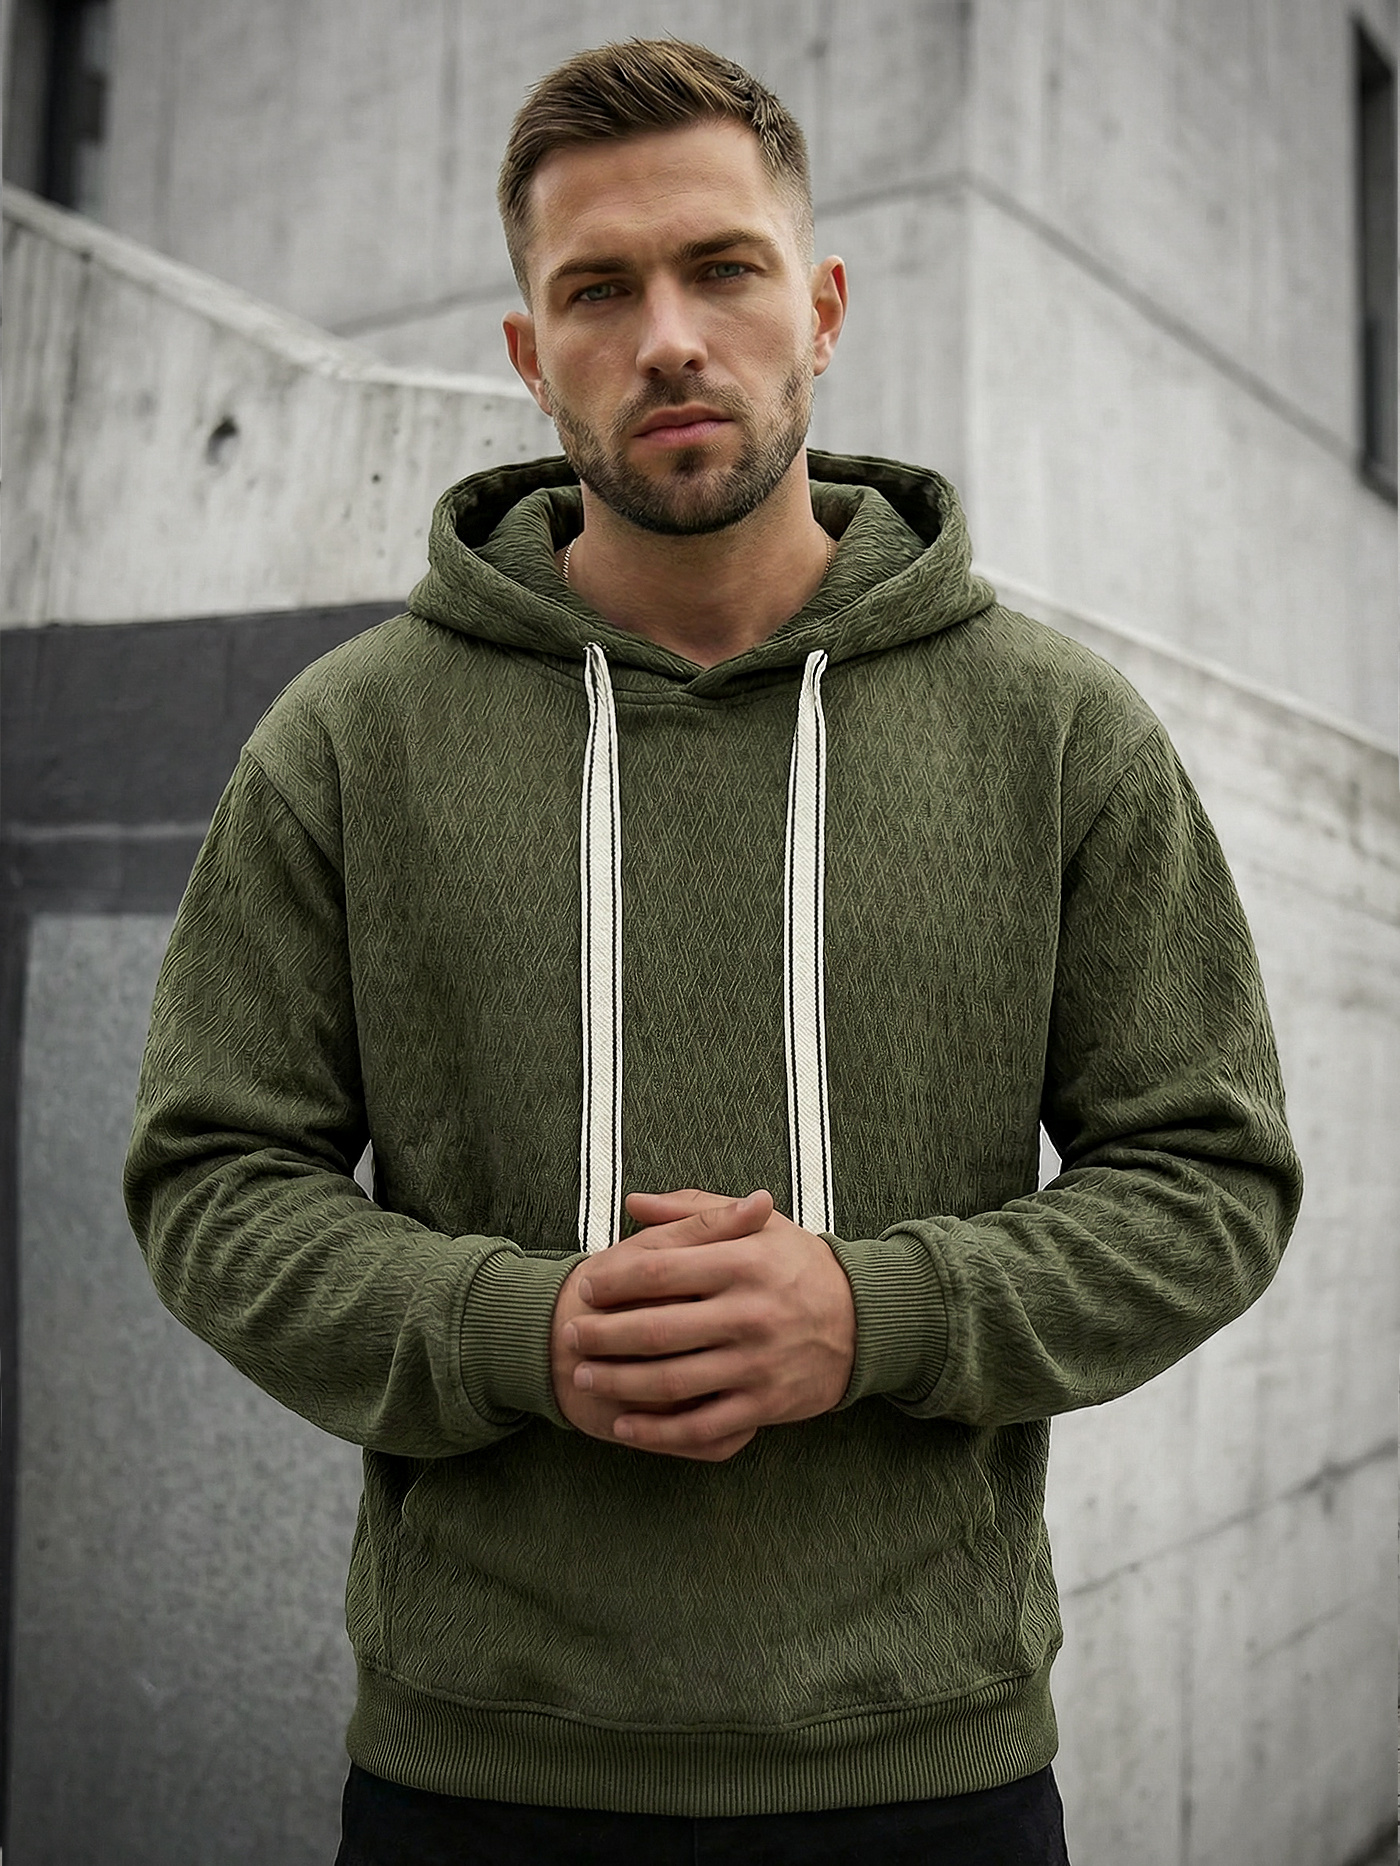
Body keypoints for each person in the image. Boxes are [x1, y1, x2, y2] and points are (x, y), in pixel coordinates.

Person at [124, 38, 1302, 1866]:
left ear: (818, 308)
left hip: (930, 1772)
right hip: (475, 1778)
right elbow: (210, 1178)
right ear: (530, 354)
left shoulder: (1057, 730)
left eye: (722, 268)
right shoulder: (348, 739)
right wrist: (513, 1328)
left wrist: (871, 1312)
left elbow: (1211, 1178)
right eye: (598, 288)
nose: (668, 336)